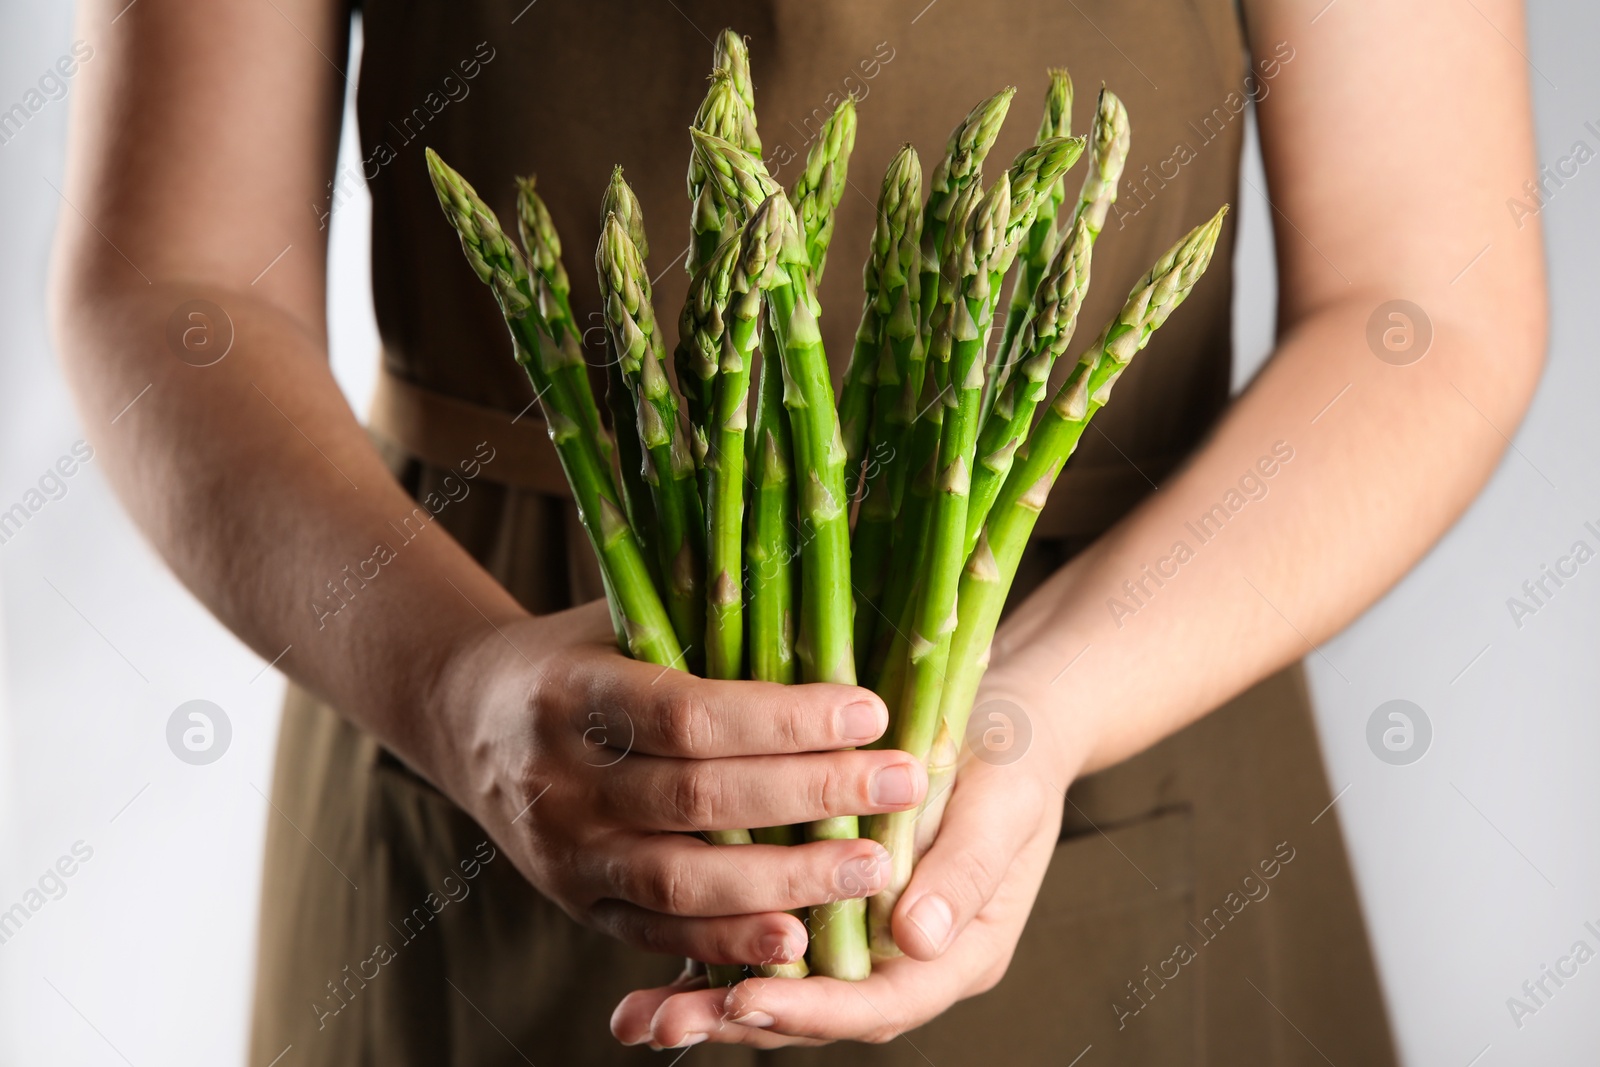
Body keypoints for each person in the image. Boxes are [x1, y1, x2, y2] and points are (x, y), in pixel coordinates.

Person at [52, 0, 1544, 1061]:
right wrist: (454, 689)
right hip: (468, 670)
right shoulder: (459, 686)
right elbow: (173, 288)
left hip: (1126, 680)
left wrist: (1044, 709)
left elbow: (1428, 307)